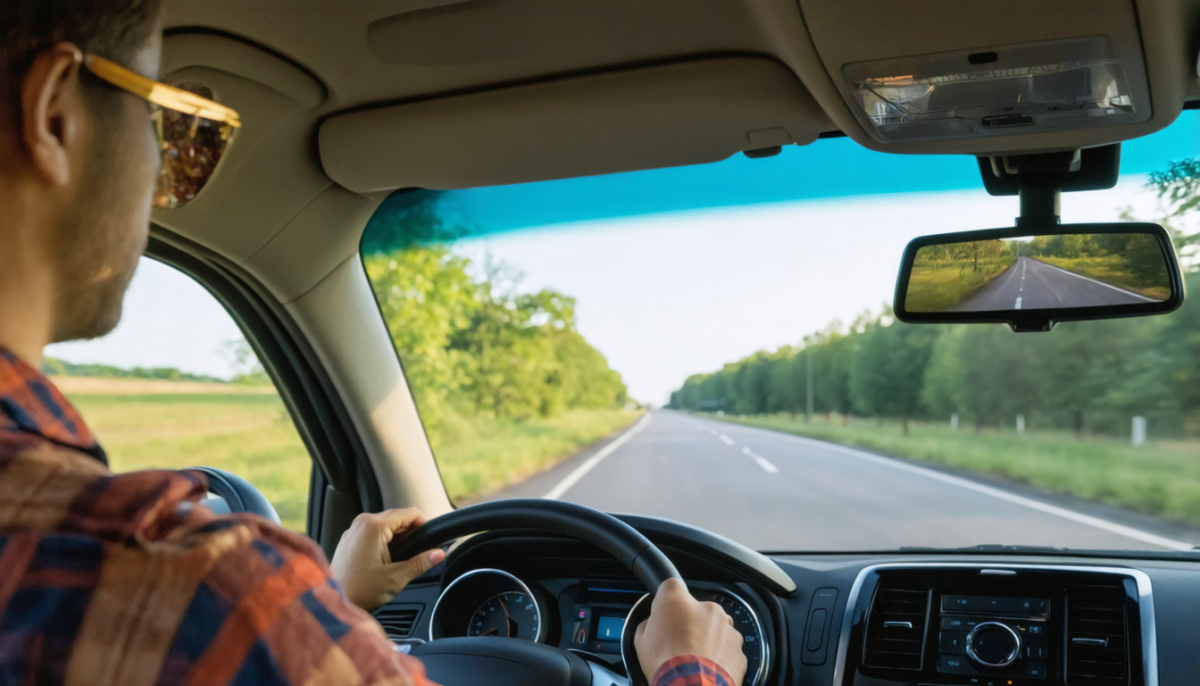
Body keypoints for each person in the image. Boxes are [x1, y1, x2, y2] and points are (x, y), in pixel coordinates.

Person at [0, 2, 749, 685]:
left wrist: (326, 601)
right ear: (58, 115)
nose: (162, 169)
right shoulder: (196, 598)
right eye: (160, 116)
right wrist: (693, 669)